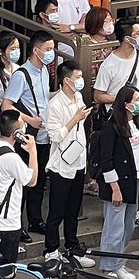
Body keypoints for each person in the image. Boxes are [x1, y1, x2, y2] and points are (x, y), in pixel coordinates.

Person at [93, 19, 139, 229]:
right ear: (126, 38)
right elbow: (98, 95)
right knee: (120, 164)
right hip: (118, 122)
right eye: (136, 32)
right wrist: (122, 99)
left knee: (138, 165)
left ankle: (136, 208)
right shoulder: (110, 64)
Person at [1, 30, 55, 240]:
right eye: (48, 49)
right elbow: (6, 105)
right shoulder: (21, 75)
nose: (50, 53)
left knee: (39, 179)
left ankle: (35, 219)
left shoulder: (43, 71)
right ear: (36, 50)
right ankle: (19, 223)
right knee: (23, 180)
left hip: (43, 133)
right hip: (28, 134)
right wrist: (30, 120)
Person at [94, 85, 139, 279]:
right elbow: (106, 160)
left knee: (127, 226)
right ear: (126, 104)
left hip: (135, 179)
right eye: (136, 99)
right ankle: (108, 268)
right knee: (114, 227)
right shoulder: (112, 127)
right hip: (118, 183)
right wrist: (115, 188)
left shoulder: (137, 123)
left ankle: (118, 262)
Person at [44, 62, 95, 266]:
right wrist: (75, 119)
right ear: (66, 80)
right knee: (57, 210)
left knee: (73, 209)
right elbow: (55, 135)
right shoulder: (55, 105)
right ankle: (51, 248)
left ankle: (72, 247)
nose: (81, 81)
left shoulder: (79, 97)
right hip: (61, 164)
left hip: (78, 159)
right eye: (78, 77)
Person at [0, 109, 39, 265]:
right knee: (5, 270)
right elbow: (32, 180)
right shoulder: (11, 158)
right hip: (7, 223)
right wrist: (33, 152)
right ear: (16, 133)